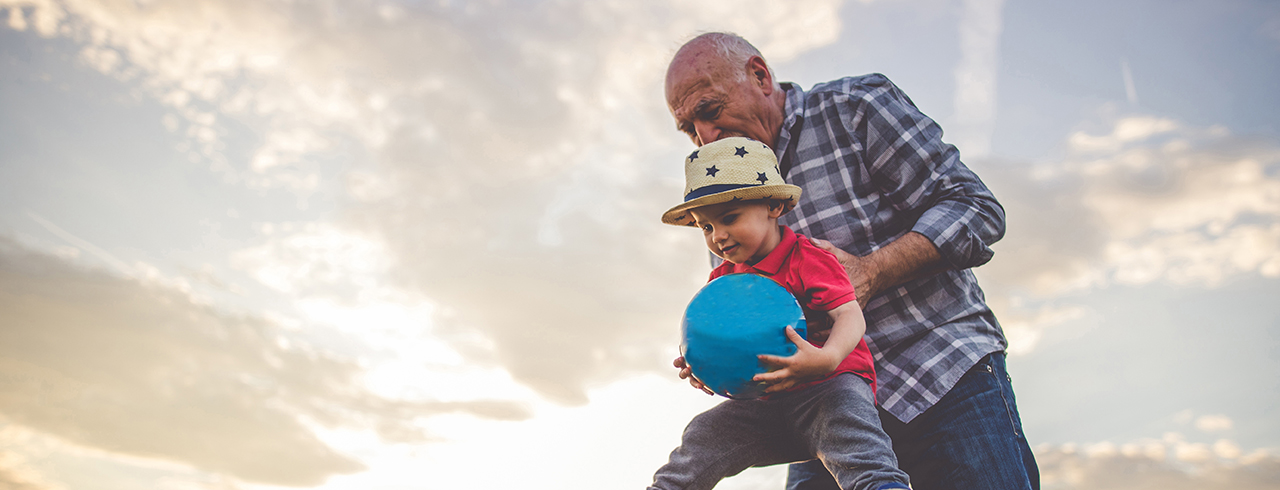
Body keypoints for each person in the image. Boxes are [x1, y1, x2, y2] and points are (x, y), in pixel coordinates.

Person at [663, 33, 1039, 490]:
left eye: (710, 110)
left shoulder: (855, 106)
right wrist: (716, 357)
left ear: (760, 76)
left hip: (941, 373)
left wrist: (872, 270)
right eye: (688, 129)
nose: (704, 137)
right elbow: (744, 308)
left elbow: (976, 209)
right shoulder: (716, 191)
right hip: (814, 407)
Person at [649, 136, 909, 490]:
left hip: (828, 389)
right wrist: (701, 365)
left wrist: (827, 358)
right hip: (765, 404)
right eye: (706, 227)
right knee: (703, 432)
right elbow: (714, 335)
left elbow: (849, 315)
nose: (718, 236)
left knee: (858, 446)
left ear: (773, 206)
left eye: (729, 218)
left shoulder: (808, 258)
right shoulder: (722, 279)